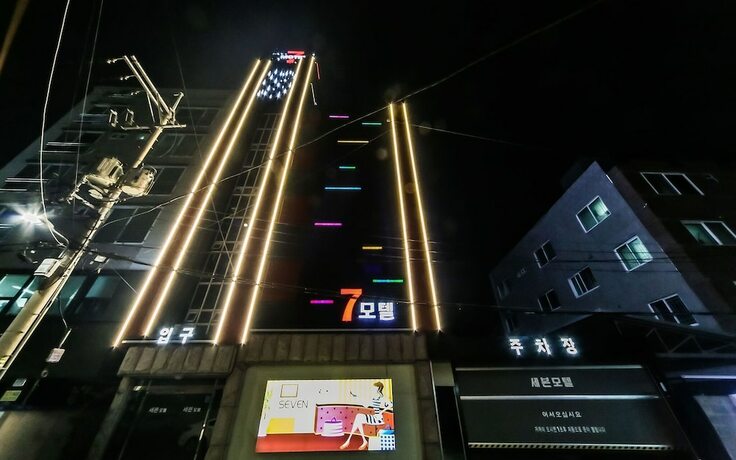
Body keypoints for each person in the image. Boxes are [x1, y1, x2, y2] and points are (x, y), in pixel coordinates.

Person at [340, 381, 392, 450]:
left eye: (375, 388)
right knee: (358, 418)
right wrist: (355, 397)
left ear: (379, 389)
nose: (373, 389)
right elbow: (366, 405)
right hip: (374, 417)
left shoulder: (381, 397)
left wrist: (381, 412)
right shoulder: (374, 397)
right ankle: (361, 441)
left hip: (379, 419)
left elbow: (391, 404)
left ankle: (349, 441)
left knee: (358, 417)